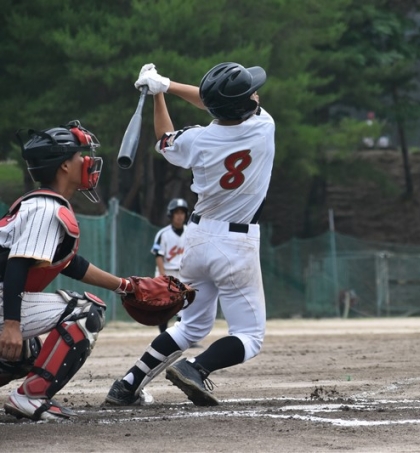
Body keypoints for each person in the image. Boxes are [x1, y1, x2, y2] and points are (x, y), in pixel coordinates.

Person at [105, 61, 273, 407]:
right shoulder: (263, 126)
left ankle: (127, 384)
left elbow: (164, 138)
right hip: (236, 244)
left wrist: (160, 92)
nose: (256, 94)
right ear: (244, 105)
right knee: (249, 336)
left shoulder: (198, 139)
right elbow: (213, 103)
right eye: (251, 92)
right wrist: (166, 85)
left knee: (189, 328)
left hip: (196, 239)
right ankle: (196, 367)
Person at [0, 121, 151, 420]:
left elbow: (69, 264)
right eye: (80, 155)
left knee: (28, 352)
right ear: (64, 166)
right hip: (4, 300)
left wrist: (125, 286)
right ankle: (31, 397)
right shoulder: (46, 208)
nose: (87, 161)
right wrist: (12, 325)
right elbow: (17, 264)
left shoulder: (39, 204)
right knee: (86, 311)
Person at [152, 198, 189, 333]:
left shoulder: (190, 232)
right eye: (176, 212)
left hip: (183, 273)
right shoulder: (163, 234)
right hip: (167, 271)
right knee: (164, 306)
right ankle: (163, 335)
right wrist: (163, 276)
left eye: (182, 213)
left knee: (184, 306)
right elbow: (158, 255)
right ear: (171, 215)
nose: (179, 216)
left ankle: (180, 335)